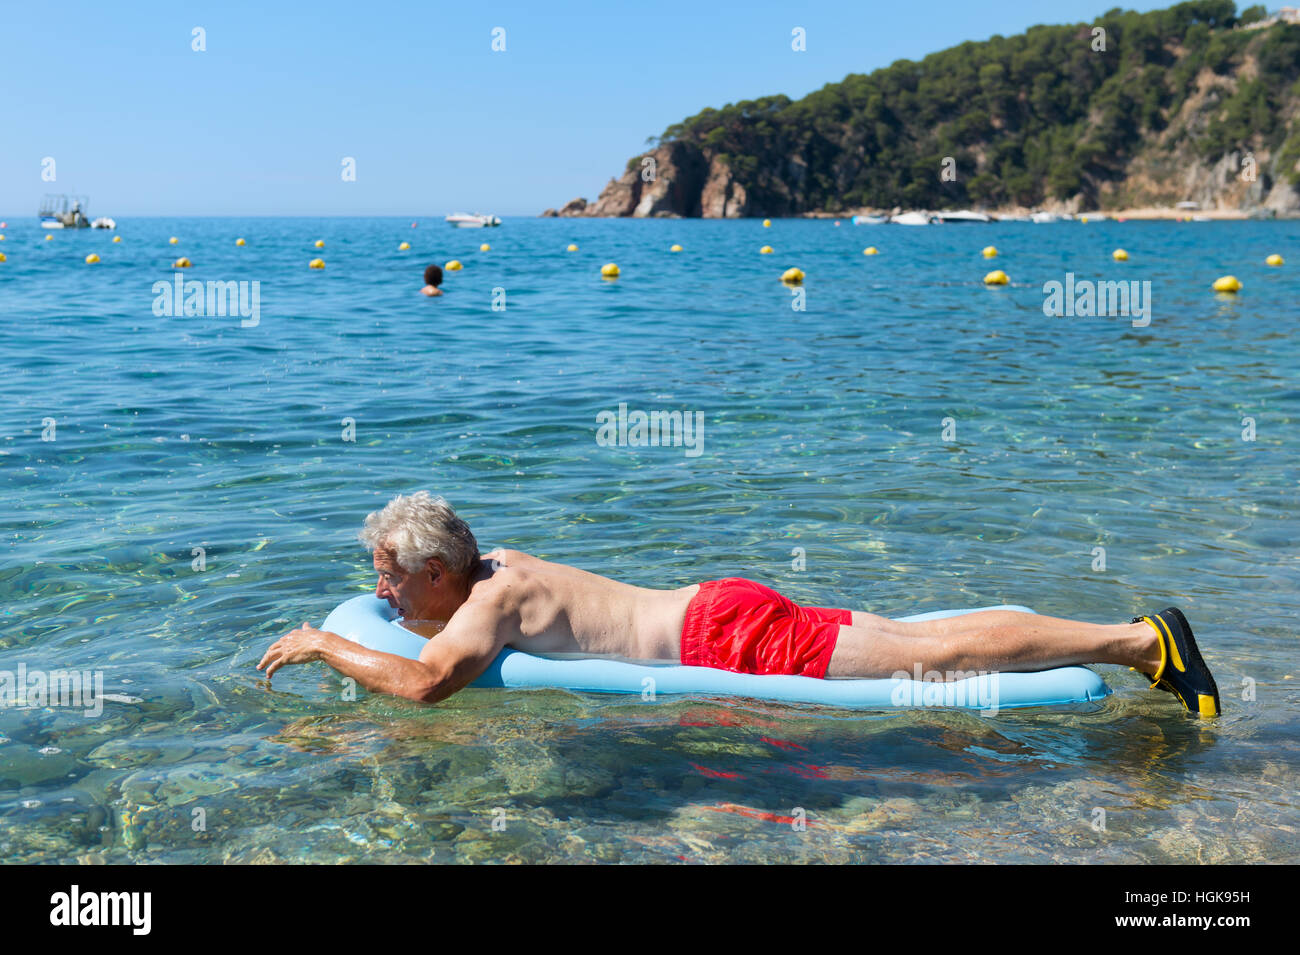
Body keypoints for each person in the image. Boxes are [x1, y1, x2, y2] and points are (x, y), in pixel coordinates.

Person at [258, 491, 1220, 716]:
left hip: (727, 635)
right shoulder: (495, 562)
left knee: (931, 657)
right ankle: (1132, 638)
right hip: (718, 605)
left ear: (436, 573)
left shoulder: (485, 606)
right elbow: (442, 611)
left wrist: (323, 643)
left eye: (391, 577)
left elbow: (427, 686)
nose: (380, 593)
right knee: (915, 638)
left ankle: (1141, 642)